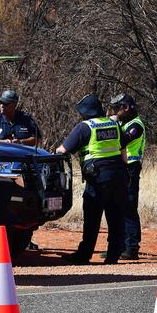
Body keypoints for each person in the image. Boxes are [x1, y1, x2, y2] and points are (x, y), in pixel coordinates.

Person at [56, 94, 128, 264]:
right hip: (119, 176)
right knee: (116, 216)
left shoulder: (84, 127)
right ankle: (113, 256)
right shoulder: (115, 124)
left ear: (85, 112)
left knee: (92, 218)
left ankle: (84, 255)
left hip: (98, 179)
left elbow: (63, 151)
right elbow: (123, 152)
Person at [0, 89, 42, 251]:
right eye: (0, 103)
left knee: (25, 204)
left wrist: (20, 142)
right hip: (1, 170)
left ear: (14, 105)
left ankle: (25, 238)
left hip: (24, 169)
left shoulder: (26, 119)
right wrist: (6, 143)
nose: (1, 106)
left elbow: (36, 139)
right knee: (5, 204)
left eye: (5, 103)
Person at [108, 93, 145, 260]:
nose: (115, 112)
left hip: (131, 168)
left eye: (117, 109)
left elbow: (123, 140)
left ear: (126, 107)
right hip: (120, 167)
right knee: (117, 207)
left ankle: (131, 248)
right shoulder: (124, 122)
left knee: (129, 207)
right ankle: (118, 246)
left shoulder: (136, 126)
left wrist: (113, 125)